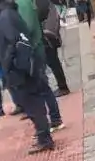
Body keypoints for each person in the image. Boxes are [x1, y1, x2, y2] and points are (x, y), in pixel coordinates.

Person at [0, 0, 58, 152]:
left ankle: (44, 138)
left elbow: (15, 43)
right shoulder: (9, 13)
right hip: (24, 67)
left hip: (20, 69)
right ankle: (43, 135)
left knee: (32, 104)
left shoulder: (5, 16)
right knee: (32, 102)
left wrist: (8, 65)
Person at [16, 0, 65, 129]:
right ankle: (53, 119)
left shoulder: (23, 3)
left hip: (33, 49)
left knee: (41, 87)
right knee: (42, 87)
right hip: (35, 47)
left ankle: (52, 120)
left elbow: (28, 27)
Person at [40, 0, 70, 95]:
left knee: (53, 62)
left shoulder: (41, 3)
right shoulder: (48, 3)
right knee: (54, 62)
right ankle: (62, 85)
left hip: (47, 36)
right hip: (51, 35)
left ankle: (63, 86)